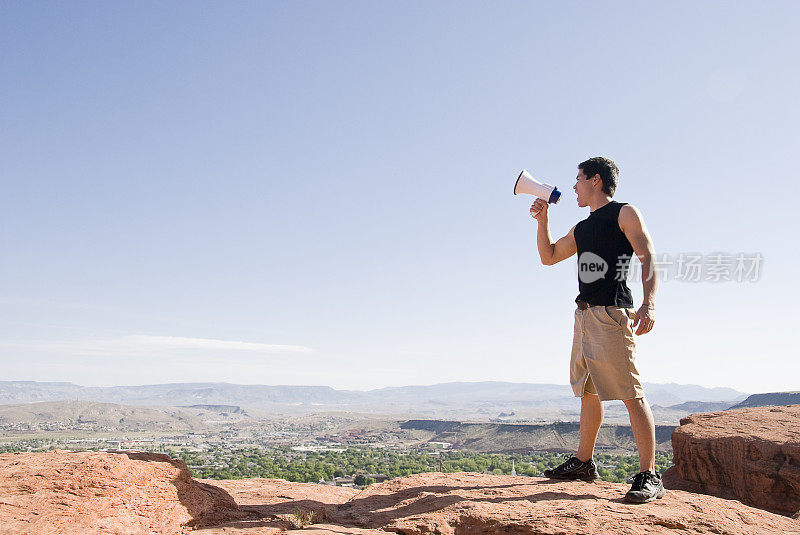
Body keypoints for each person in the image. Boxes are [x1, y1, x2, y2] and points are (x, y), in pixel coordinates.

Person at [530, 156, 665, 503]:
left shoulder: (625, 212)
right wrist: (542, 220)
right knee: (589, 391)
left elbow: (648, 256)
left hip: (611, 313)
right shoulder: (581, 228)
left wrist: (649, 304)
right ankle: (584, 463)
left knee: (630, 393)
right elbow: (549, 256)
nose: (573, 186)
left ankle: (650, 475)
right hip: (585, 315)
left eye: (578, 179)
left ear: (595, 180)